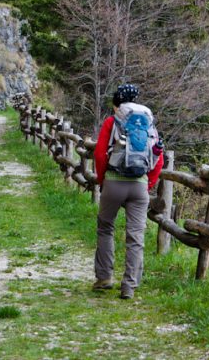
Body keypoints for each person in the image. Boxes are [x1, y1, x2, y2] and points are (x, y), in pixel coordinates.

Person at [92, 84, 164, 299]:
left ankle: (104, 277)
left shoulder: (112, 122)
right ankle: (129, 286)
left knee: (106, 228)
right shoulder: (148, 123)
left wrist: (102, 180)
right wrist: (148, 183)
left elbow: (99, 154)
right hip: (140, 185)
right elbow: (158, 158)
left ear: (117, 104)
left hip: (113, 182)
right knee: (136, 236)